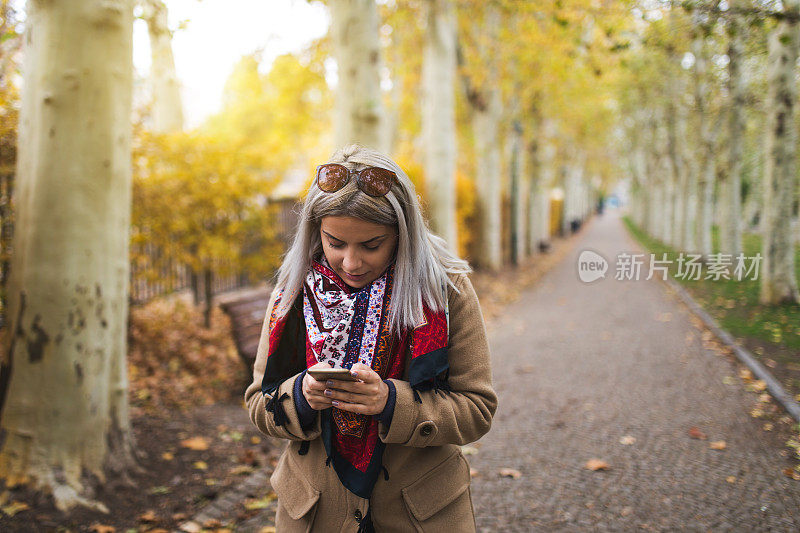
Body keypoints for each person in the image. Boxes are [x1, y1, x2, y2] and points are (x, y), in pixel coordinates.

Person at [244, 144, 497, 532]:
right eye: (335, 243)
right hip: (314, 514)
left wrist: (392, 402)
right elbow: (259, 403)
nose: (351, 262)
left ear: (403, 234)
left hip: (422, 515)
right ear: (316, 231)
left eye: (371, 245)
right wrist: (301, 396)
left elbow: (476, 409)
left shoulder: (446, 291)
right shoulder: (292, 293)